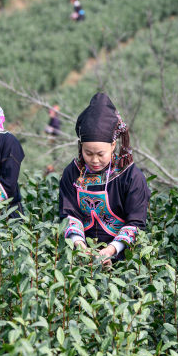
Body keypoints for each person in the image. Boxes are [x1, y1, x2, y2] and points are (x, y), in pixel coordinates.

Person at [59, 93, 151, 265]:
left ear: (113, 146)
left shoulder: (130, 177)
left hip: (123, 259)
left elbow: (136, 222)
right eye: (88, 153)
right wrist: (79, 245)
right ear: (81, 147)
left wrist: (111, 250)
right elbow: (69, 214)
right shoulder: (73, 173)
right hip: (81, 257)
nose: (94, 160)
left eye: (101, 154)